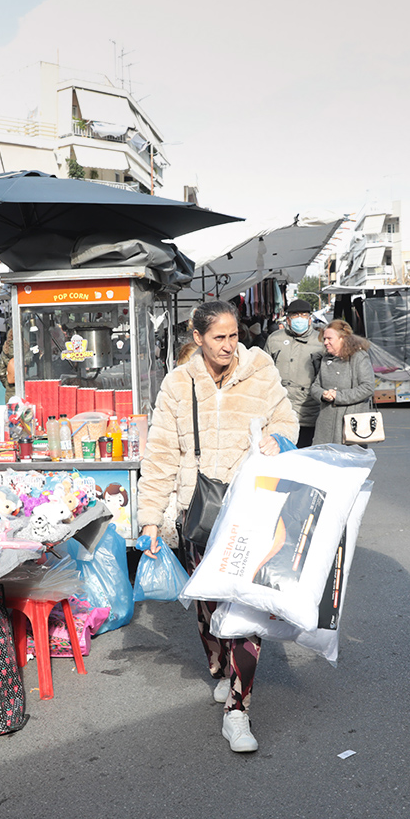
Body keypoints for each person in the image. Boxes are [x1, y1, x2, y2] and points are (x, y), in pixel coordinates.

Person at [136, 301, 298, 754]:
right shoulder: (177, 383)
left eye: (234, 335)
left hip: (250, 509)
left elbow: (288, 420)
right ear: (198, 336)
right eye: (219, 337)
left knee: (244, 611)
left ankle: (238, 712)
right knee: (208, 610)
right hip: (198, 512)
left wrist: (278, 438)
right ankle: (221, 670)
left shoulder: (260, 369)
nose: (230, 345)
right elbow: (161, 455)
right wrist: (150, 519)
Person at [267, 299, 324, 446]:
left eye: (304, 315)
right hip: (279, 411)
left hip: (308, 412)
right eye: (295, 315)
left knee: (304, 458)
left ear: (310, 319)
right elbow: (264, 371)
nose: (300, 319)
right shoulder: (275, 339)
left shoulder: (320, 342)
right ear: (288, 319)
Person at [310, 320, 375, 446]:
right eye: (324, 339)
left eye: (329, 338)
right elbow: (315, 386)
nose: (325, 343)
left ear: (342, 338)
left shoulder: (359, 357)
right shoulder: (325, 359)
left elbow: (368, 387)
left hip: (351, 425)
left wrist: (337, 396)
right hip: (326, 425)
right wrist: (323, 394)